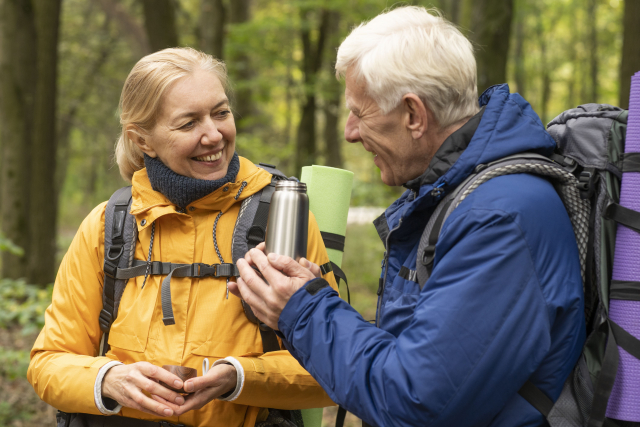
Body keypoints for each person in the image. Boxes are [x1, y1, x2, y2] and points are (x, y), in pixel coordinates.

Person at [229, 6, 586, 427]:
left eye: (359, 113)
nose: (349, 131)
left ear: (414, 115)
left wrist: (303, 310)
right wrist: (307, 298)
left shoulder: (497, 218)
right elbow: (417, 352)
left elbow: (417, 403)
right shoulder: (456, 196)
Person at [27, 47, 336, 427]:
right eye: (188, 123)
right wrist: (109, 379)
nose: (214, 135)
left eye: (221, 113)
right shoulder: (108, 225)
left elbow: (333, 368)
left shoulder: (283, 220)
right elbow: (48, 362)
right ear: (143, 140)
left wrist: (239, 377)